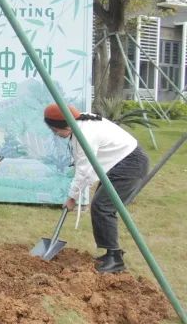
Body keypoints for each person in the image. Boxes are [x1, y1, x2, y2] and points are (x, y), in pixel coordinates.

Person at [43, 103, 149, 273]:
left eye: (56, 131)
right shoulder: (79, 124)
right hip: (119, 162)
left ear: (67, 126)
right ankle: (111, 255)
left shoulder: (84, 134)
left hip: (130, 164)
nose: (56, 134)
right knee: (101, 207)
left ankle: (115, 259)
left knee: (103, 207)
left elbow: (84, 171)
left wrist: (72, 198)